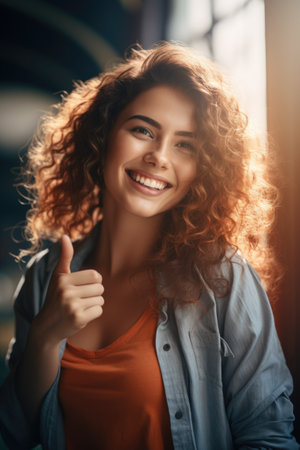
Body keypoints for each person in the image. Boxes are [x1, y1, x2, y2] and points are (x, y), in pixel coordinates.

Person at [0, 42, 298, 450]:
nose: (159, 157)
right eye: (143, 130)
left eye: (184, 145)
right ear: (103, 135)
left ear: (203, 170)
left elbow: (268, 437)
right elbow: (14, 434)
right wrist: (45, 339)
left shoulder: (222, 277)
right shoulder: (43, 276)